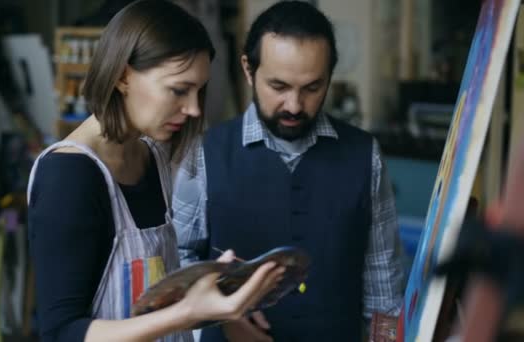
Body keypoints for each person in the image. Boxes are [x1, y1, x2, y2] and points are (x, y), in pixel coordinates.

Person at [27, 1, 284, 341]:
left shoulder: (152, 155)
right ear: (123, 76)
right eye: (179, 90)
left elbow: (153, 292)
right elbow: (61, 333)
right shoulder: (69, 175)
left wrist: (224, 306)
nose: (193, 109)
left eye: (198, 91)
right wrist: (189, 313)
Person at [172, 1, 405, 341]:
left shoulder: (365, 155)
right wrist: (220, 315)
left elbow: (383, 283)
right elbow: (176, 259)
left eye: (312, 88)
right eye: (279, 87)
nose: (295, 106)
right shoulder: (205, 153)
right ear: (249, 70)